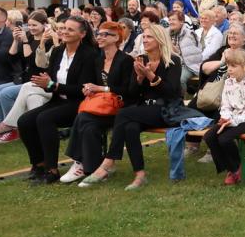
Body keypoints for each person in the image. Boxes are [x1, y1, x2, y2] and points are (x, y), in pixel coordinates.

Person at [78, 24, 182, 190]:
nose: (145, 40)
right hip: (144, 109)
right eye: (144, 37)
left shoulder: (173, 61)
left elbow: (171, 92)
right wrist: (139, 78)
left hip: (167, 110)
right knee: (130, 128)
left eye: (149, 37)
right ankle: (140, 175)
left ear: (160, 40)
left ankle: (108, 162)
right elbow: (133, 93)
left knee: (124, 113)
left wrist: (150, 75)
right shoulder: (141, 60)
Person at [19, 17, 101, 185]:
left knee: (45, 118)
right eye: (63, 28)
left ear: (82, 34)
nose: (64, 32)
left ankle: (52, 169)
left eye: (70, 29)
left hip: (80, 103)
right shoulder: (58, 51)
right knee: (25, 121)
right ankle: (39, 164)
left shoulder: (89, 54)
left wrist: (53, 85)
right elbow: (51, 82)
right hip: (59, 100)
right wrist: (46, 84)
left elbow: (82, 89)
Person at [58, 21, 138, 183]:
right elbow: (95, 85)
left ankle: (81, 163)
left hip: (121, 108)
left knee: (84, 118)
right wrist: (89, 89)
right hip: (103, 106)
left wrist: (102, 89)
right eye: (98, 34)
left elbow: (128, 91)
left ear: (116, 38)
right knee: (88, 124)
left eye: (105, 34)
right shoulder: (98, 60)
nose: (99, 37)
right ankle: (92, 168)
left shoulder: (125, 60)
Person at [202, 48, 245, 186]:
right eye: (228, 65)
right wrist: (226, 118)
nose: (229, 69)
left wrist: (232, 121)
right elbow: (225, 105)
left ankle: (235, 169)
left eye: (233, 66)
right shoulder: (229, 81)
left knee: (224, 139)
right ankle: (232, 168)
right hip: (233, 118)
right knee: (209, 136)